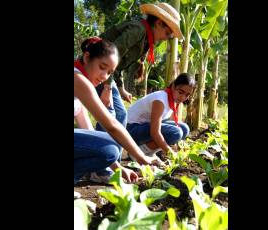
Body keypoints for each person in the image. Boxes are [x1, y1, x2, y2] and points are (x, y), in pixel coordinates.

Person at [74, 37, 162, 184]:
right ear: (87, 57)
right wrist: (142, 157)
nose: (104, 77)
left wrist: (118, 168)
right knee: (111, 146)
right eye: (102, 67)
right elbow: (111, 125)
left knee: (109, 150)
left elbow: (90, 132)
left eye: (109, 72)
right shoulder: (78, 79)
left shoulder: (81, 84)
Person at [95, 2, 184, 132]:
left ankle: (106, 147)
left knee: (119, 115)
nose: (167, 38)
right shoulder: (138, 30)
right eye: (168, 33)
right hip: (96, 69)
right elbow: (111, 55)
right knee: (113, 116)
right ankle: (102, 148)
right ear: (159, 23)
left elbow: (118, 65)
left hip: (106, 73)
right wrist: (107, 88)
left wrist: (121, 89)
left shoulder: (146, 39)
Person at [126, 73, 195, 159]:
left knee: (184, 129)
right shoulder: (160, 100)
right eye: (181, 92)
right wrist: (170, 153)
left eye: (187, 95)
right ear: (173, 86)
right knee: (176, 133)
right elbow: (154, 132)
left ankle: (150, 151)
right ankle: (138, 153)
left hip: (143, 127)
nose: (183, 98)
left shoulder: (172, 98)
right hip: (130, 130)